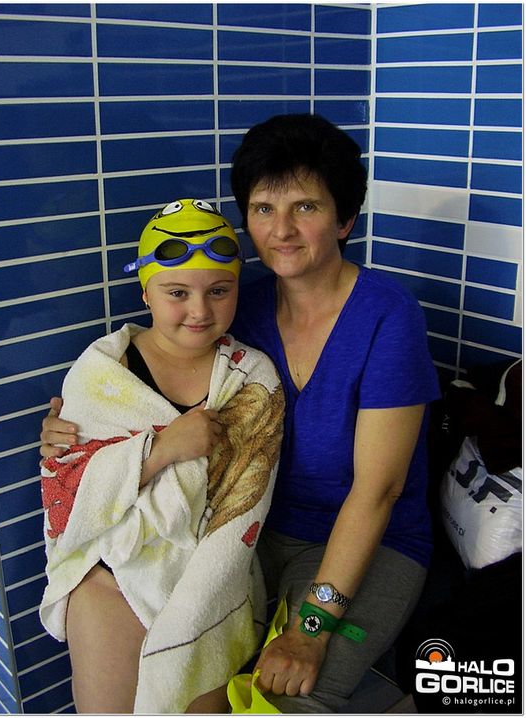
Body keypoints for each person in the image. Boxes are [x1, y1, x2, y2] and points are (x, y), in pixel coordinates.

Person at [40, 114, 441, 713]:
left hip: (369, 542)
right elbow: (144, 385)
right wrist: (77, 429)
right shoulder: (235, 306)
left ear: (344, 220)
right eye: (263, 208)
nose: (281, 230)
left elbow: (378, 491)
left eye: (305, 207)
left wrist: (311, 629)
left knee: (289, 697)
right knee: (131, 625)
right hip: (249, 531)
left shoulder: (388, 316)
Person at [38, 198, 284, 714]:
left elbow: (244, 508)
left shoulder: (252, 377)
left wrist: (195, 603)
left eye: (219, 291)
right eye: (177, 293)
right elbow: (66, 496)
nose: (200, 310)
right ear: (145, 292)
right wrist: (161, 451)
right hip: (110, 573)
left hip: (208, 579)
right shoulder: (100, 372)